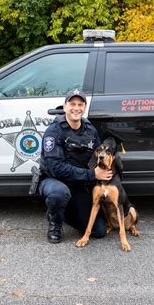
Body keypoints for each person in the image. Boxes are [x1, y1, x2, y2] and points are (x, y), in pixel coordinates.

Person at [39, 89, 113, 243]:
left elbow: (98, 156)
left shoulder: (90, 130)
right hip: (54, 181)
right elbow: (55, 168)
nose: (76, 108)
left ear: (84, 108)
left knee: (99, 231)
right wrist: (92, 175)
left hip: (78, 185)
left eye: (80, 104)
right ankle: (55, 223)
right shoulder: (54, 131)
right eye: (72, 104)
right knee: (58, 193)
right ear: (65, 106)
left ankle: (63, 212)